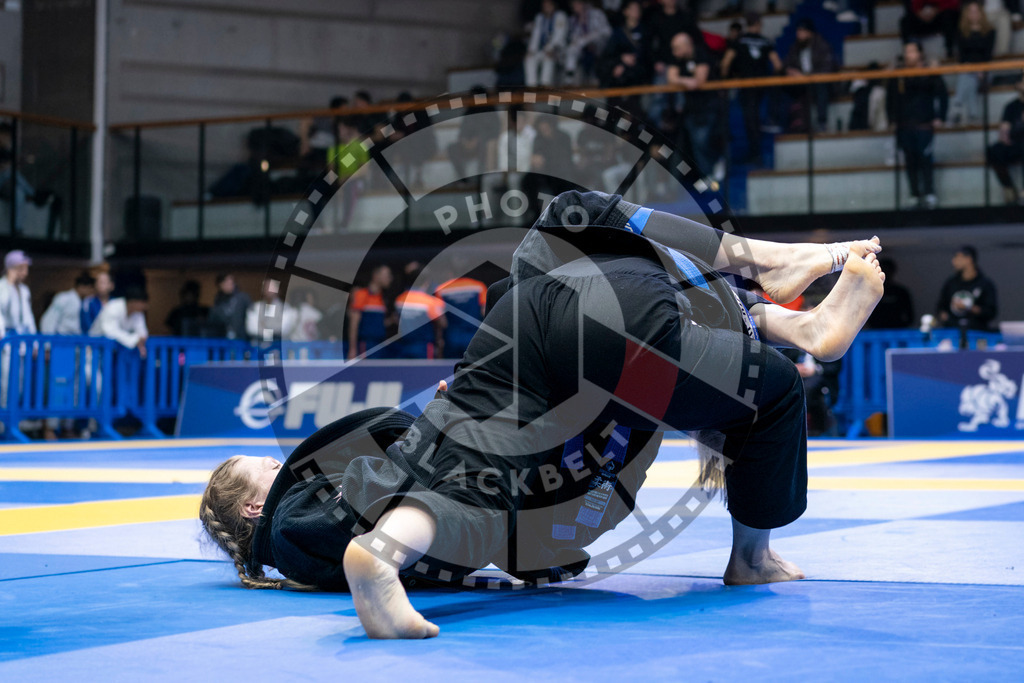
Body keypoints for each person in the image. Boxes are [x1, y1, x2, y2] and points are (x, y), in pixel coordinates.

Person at [199, 190, 885, 639]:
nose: (275, 460)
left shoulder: (322, 512)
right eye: (260, 468)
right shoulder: (292, 530)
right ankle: (768, 307)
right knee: (715, 370)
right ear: (253, 510)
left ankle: (769, 296)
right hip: (559, 401)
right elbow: (423, 491)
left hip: (549, 360)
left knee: (572, 222)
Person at [886, 40, 948, 209]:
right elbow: (890, 98)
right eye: (907, 51)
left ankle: (929, 193)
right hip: (904, 123)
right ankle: (914, 194)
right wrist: (891, 119)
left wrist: (940, 116)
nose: (909, 55)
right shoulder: (898, 73)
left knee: (925, 158)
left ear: (920, 53)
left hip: (924, 123)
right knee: (909, 159)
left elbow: (942, 94)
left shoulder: (929, 72)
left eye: (913, 51)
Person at [721, 12, 784, 165]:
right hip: (761, 86)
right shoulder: (765, 41)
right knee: (754, 117)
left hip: (746, 85)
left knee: (750, 118)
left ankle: (755, 152)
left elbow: (725, 63)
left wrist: (725, 80)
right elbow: (778, 65)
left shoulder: (739, 41)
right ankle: (756, 152)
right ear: (759, 24)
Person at [665, 32, 721, 181]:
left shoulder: (701, 54)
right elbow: (671, 78)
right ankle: (708, 174)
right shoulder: (678, 58)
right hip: (690, 108)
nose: (674, 52)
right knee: (696, 143)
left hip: (708, 106)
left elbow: (699, 81)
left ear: (686, 45)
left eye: (677, 48)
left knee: (703, 140)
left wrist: (682, 80)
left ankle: (716, 164)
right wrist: (687, 81)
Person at [596, 1, 651, 120]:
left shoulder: (646, 31)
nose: (636, 12)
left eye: (638, 9)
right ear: (625, 12)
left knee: (634, 111)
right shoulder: (618, 32)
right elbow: (608, 55)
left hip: (637, 76)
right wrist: (620, 60)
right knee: (614, 109)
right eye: (632, 9)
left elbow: (648, 55)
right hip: (619, 79)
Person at [782, 18, 837, 134]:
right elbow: (787, 63)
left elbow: (827, 68)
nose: (799, 34)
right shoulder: (795, 47)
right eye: (798, 31)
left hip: (818, 83)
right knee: (779, 83)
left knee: (821, 86)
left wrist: (806, 76)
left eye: (802, 31)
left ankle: (822, 123)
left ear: (810, 33)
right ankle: (781, 123)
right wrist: (789, 71)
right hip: (801, 84)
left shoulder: (821, 45)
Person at [948, 2, 995, 126]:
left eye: (976, 11)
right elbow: (962, 56)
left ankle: (957, 106)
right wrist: (974, 68)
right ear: (966, 14)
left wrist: (980, 69)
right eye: (971, 11)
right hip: (968, 68)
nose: (974, 14)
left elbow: (988, 55)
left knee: (967, 77)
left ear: (981, 13)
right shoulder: (961, 32)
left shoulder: (990, 31)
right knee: (969, 79)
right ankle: (973, 115)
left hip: (985, 70)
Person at [936, 245, 998, 331]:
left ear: (969, 259)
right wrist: (944, 317)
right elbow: (940, 307)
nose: (953, 261)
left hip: (977, 332)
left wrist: (968, 307)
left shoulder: (985, 284)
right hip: (952, 331)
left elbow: (991, 312)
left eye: (958, 257)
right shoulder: (951, 283)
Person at [986, 75, 1024, 205]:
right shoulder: (1012, 106)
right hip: (1015, 142)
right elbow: (1004, 127)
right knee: (994, 151)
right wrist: (1004, 137)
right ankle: (1009, 188)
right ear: (1018, 85)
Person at [434, 275, 487, 361]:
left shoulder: (441, 289)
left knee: (450, 370)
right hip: (473, 337)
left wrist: (439, 339)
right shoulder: (479, 286)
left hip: (451, 338)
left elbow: (441, 320)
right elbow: (485, 312)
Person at [347, 264, 394, 359]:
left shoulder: (383, 298)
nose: (390, 278)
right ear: (376, 276)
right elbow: (354, 324)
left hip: (381, 344)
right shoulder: (361, 295)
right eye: (387, 275)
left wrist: (392, 320)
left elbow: (377, 324)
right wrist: (352, 349)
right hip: (366, 344)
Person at [89, 285, 149, 357]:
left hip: (115, 352)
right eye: (143, 303)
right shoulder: (113, 306)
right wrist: (135, 339)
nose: (146, 307)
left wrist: (138, 339)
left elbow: (142, 334)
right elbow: (111, 332)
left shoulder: (138, 313)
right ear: (133, 302)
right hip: (95, 347)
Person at [563, 0, 612, 85]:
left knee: (583, 43)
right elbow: (572, 37)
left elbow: (607, 31)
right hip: (582, 49)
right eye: (573, 4)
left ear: (583, 3)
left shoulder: (597, 13)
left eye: (577, 3)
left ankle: (595, 78)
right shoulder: (573, 20)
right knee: (572, 48)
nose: (575, 6)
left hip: (600, 44)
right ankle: (569, 78)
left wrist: (590, 37)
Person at [524, 0, 569, 87]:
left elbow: (559, 35)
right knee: (529, 59)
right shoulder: (539, 17)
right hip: (542, 49)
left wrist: (550, 48)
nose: (546, 8)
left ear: (553, 5)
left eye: (548, 5)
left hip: (557, 49)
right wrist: (531, 50)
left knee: (548, 58)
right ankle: (531, 86)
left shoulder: (560, 16)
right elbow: (535, 36)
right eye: (544, 6)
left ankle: (545, 85)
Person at [866, 258, 916, 329]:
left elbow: (910, 314)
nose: (886, 273)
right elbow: (866, 312)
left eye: (888, 270)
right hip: (876, 330)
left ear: (893, 271)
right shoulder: (872, 291)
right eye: (883, 270)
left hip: (898, 331)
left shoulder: (901, 292)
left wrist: (902, 327)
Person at [40, 271, 95, 335]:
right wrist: (48, 341)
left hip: (76, 339)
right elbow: (49, 319)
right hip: (62, 338)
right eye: (90, 288)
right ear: (82, 287)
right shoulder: (64, 298)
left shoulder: (85, 303)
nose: (91, 292)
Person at [0, 250, 36, 338]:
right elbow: (2, 307)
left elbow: (28, 316)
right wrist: (10, 283)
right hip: (5, 336)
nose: (25, 273)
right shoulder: (2, 286)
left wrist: (33, 338)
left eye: (26, 268)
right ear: (10, 269)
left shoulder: (24, 290)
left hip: (21, 336)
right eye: (21, 269)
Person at [208, 273, 252, 340]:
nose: (231, 285)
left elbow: (252, 317)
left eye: (232, 282)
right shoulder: (218, 303)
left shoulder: (243, 298)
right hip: (223, 340)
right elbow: (213, 323)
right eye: (227, 283)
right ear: (221, 285)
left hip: (243, 339)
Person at [80, 267, 114, 335]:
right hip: (94, 340)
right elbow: (86, 326)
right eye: (98, 282)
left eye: (103, 282)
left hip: (112, 339)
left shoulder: (115, 303)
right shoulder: (88, 302)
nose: (100, 285)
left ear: (111, 285)